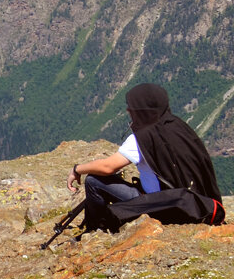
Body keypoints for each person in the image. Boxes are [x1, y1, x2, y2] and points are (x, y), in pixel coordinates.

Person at [67, 83, 224, 230]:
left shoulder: (141, 138)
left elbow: (108, 167)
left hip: (158, 205)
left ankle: (97, 227)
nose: (128, 110)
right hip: (195, 205)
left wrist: (77, 169)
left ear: (142, 111)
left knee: (93, 181)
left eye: (132, 108)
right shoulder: (179, 127)